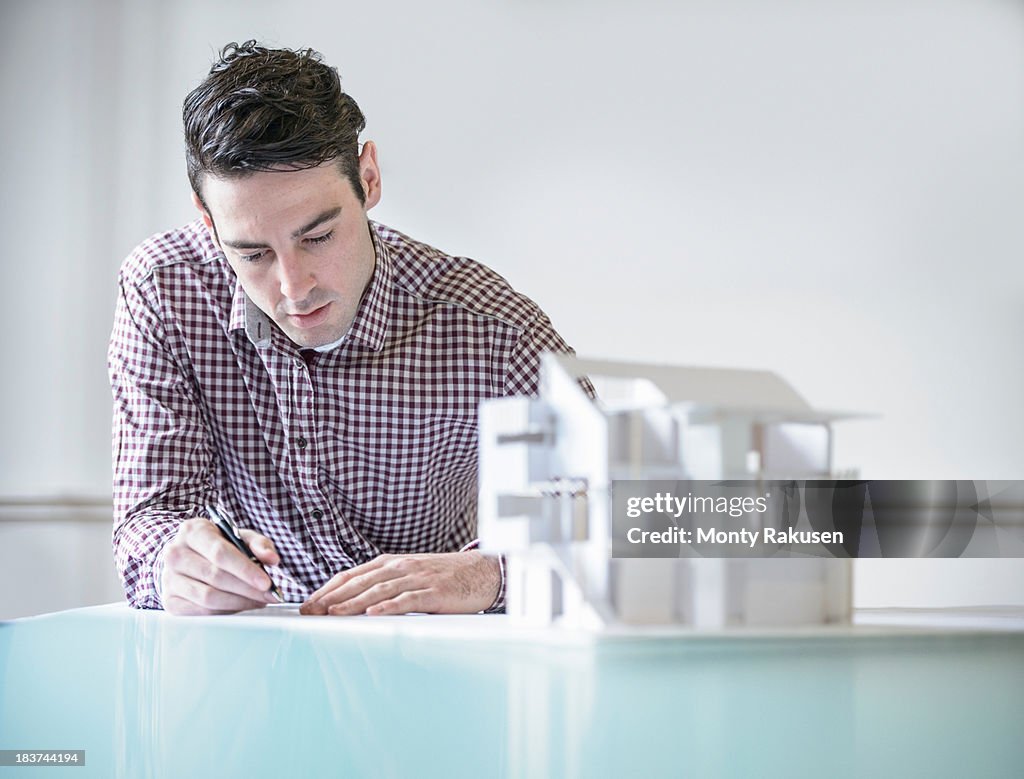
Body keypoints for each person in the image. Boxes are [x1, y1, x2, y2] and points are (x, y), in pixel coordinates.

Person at [109, 41, 581, 617]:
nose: (293, 286)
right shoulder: (165, 290)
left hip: (439, 651)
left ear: (369, 178)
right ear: (208, 223)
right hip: (259, 650)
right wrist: (171, 562)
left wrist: (492, 575)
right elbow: (148, 518)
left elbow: (625, 524)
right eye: (252, 252)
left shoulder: (492, 329)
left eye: (318, 236)